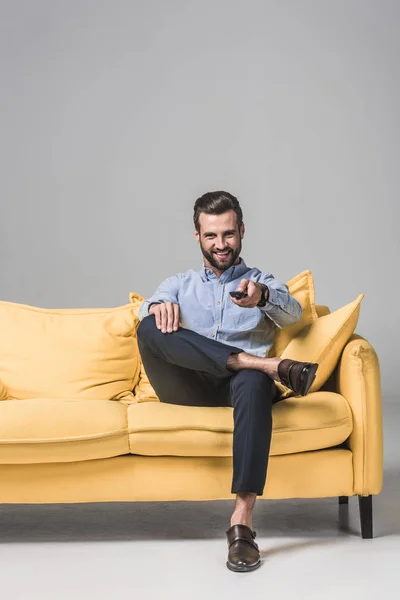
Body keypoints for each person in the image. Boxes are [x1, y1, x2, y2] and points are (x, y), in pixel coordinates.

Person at [136, 190, 318, 573]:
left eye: (228, 235)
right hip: (186, 386)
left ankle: (241, 521)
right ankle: (270, 366)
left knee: (252, 382)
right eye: (211, 236)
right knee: (149, 327)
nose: (221, 245)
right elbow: (146, 312)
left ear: (242, 231)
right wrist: (156, 307)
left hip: (242, 391)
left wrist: (263, 296)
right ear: (197, 236)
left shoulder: (259, 281)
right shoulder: (179, 283)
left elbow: (294, 315)